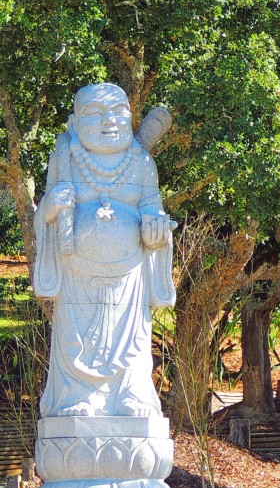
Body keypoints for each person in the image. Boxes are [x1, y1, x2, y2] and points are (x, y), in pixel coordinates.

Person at [33, 83, 175, 418]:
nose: (109, 120)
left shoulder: (142, 162)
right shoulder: (65, 159)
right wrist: (50, 208)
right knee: (75, 338)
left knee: (132, 340)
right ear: (74, 123)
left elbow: (152, 208)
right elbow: (44, 218)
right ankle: (75, 397)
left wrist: (156, 232)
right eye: (95, 113)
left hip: (130, 276)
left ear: (130, 116)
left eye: (117, 111)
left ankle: (132, 395)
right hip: (77, 273)